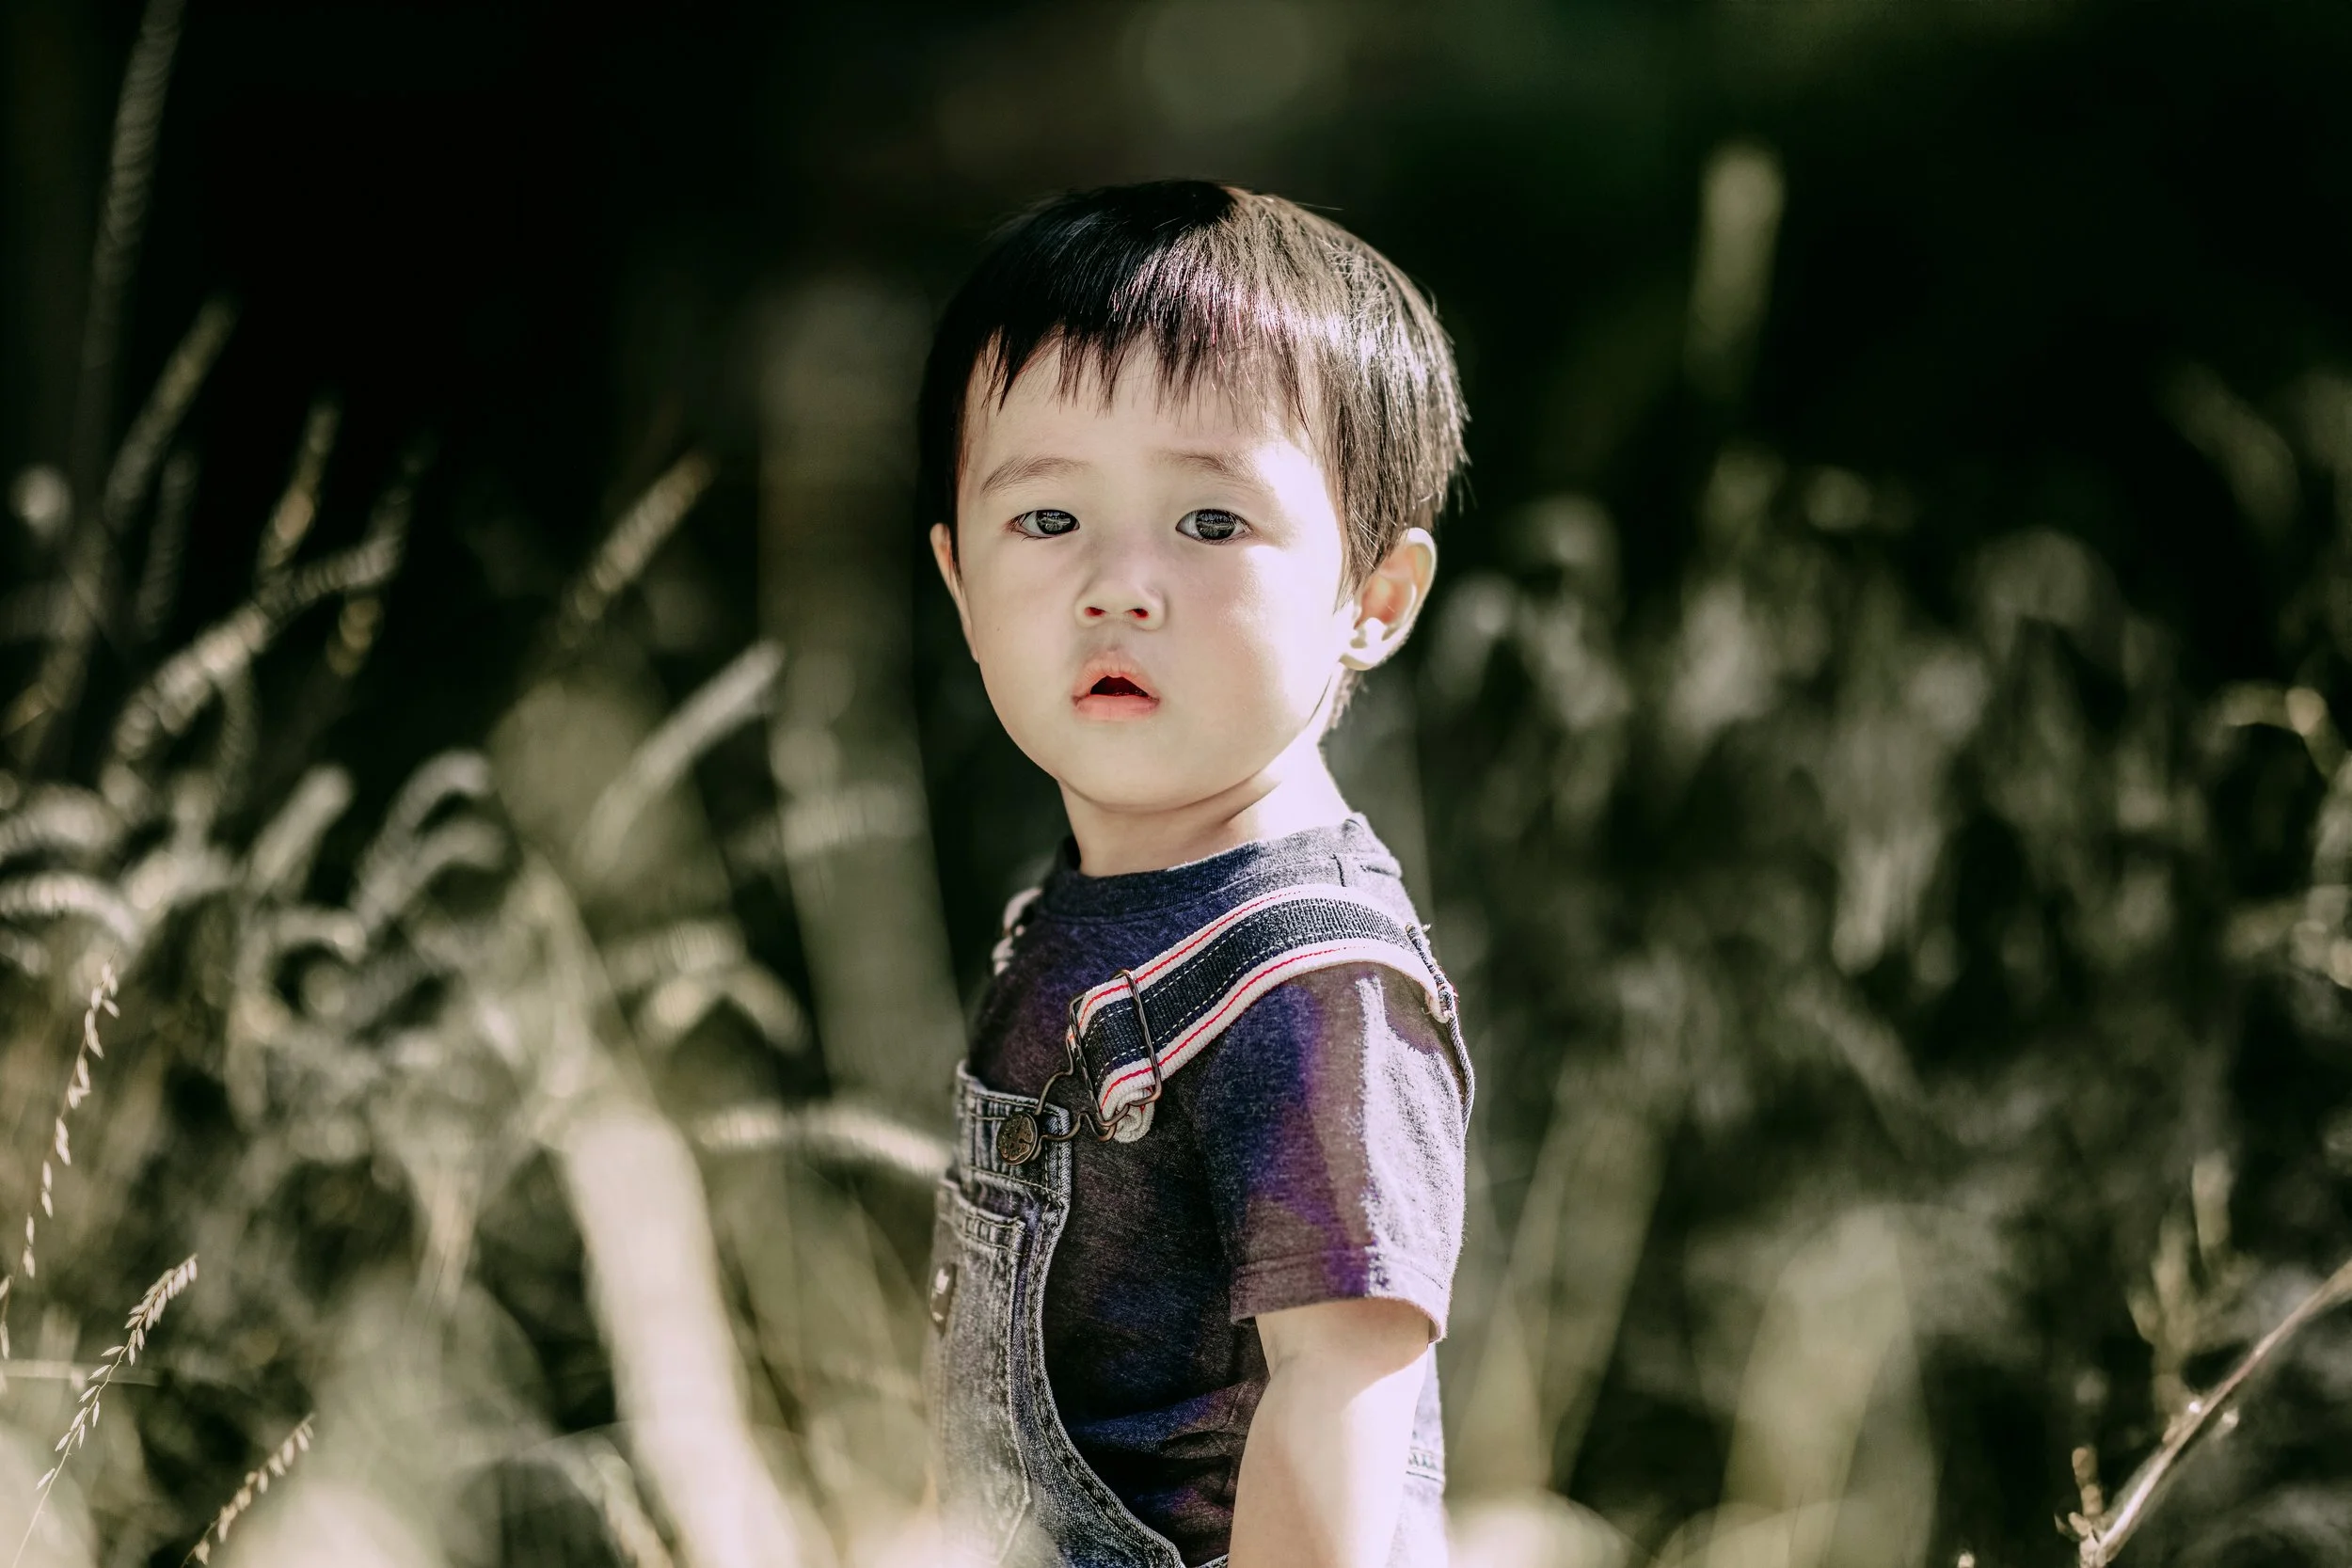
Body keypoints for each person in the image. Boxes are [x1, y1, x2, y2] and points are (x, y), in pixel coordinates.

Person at [918, 179, 1472, 1568]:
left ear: (1374, 600)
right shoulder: (1090, 903)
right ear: (958, 582)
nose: (1120, 583)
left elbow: (1338, 1398)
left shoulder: (1309, 985)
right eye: (1046, 521)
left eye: (1211, 523)